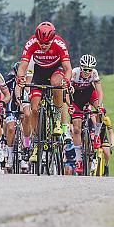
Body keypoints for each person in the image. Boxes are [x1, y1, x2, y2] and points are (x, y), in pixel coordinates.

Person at [16, 22, 75, 172]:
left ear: (53, 39)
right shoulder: (31, 43)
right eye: (41, 43)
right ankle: (36, 142)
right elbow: (23, 65)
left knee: (57, 83)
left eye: (47, 43)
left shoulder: (59, 43)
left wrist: (66, 81)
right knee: (34, 109)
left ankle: (56, 119)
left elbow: (68, 68)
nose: (43, 46)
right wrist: (20, 77)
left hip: (56, 70)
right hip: (39, 73)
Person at [69, 54, 106, 175]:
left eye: (89, 70)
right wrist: (69, 105)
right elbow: (67, 92)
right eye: (85, 69)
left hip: (89, 94)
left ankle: (96, 136)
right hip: (76, 99)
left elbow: (99, 91)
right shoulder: (74, 73)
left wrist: (99, 105)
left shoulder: (94, 73)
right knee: (76, 129)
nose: (87, 72)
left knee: (101, 111)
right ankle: (79, 160)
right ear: (80, 67)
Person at [4, 61, 33, 172]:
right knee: (11, 128)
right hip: (12, 104)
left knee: (27, 116)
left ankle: (26, 147)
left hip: (25, 102)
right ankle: (10, 155)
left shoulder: (30, 79)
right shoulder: (9, 79)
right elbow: (4, 93)